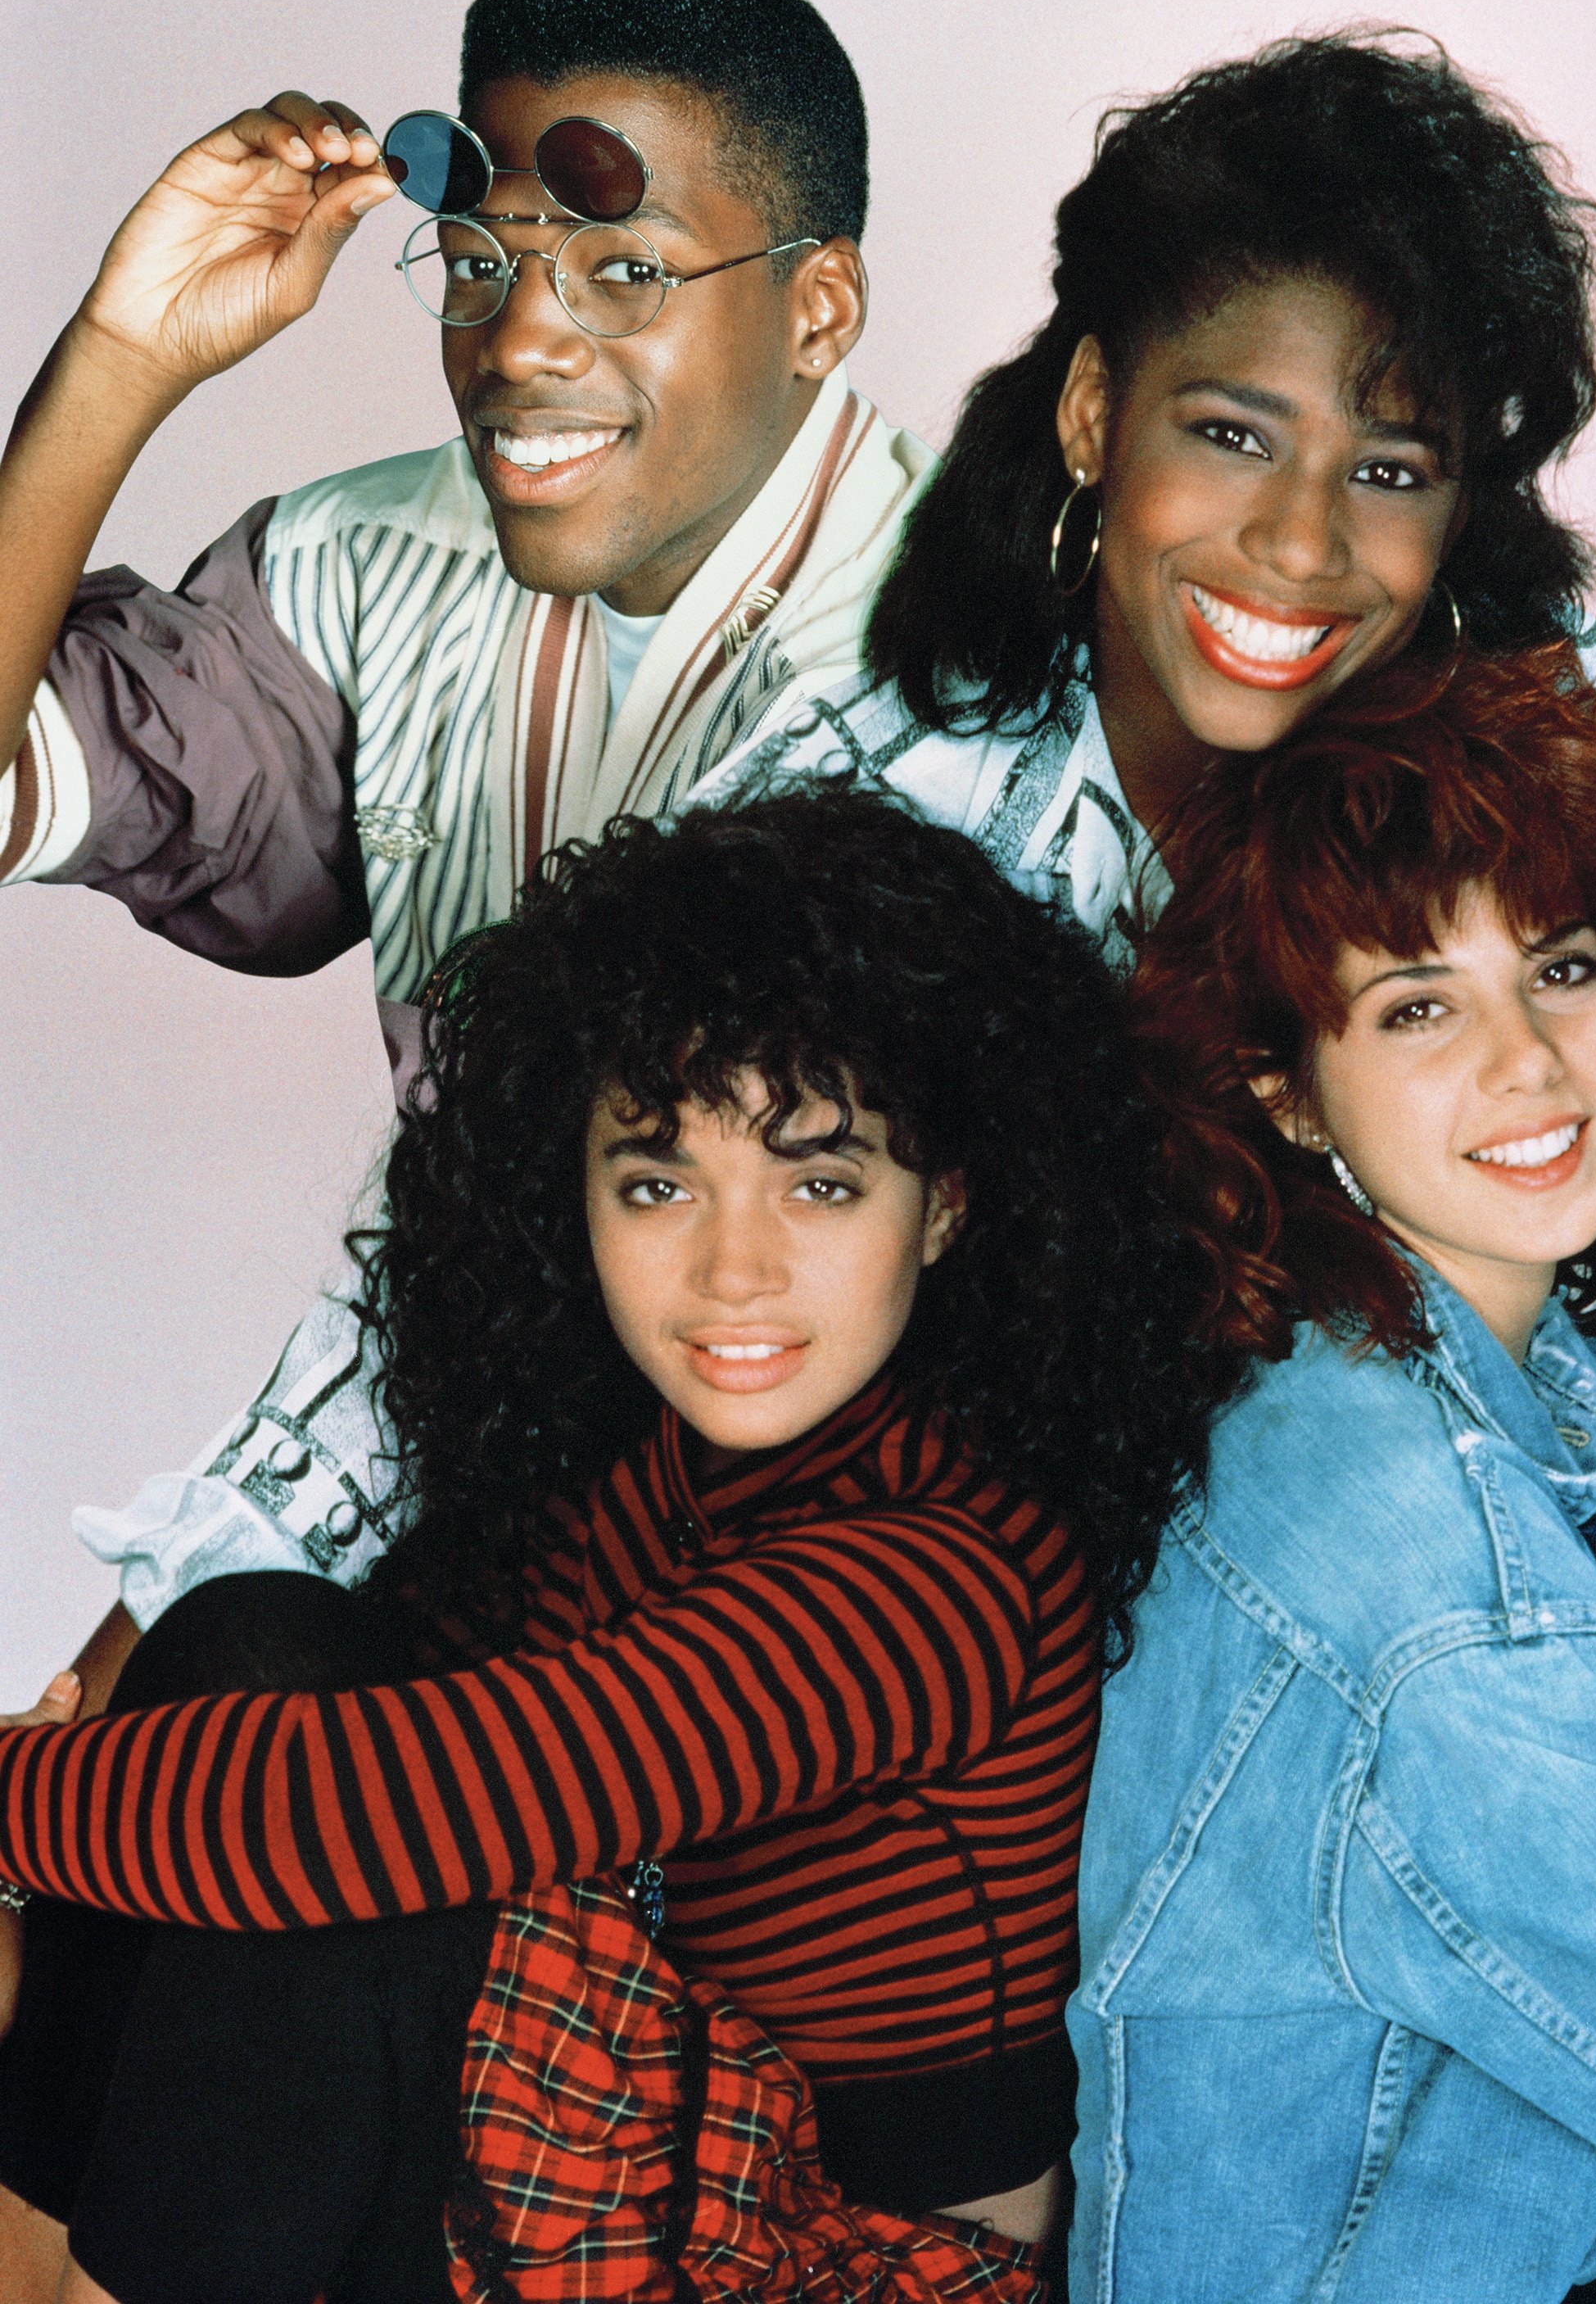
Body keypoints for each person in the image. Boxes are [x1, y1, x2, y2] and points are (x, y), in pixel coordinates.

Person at [0, 789, 1219, 2304]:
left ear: (947, 1205)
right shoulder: (650, 1472)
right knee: (254, 1648)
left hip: (824, 2259)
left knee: (312, 1818)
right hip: (645, 2148)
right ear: (567, 1196)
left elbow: (354, 1811)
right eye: (658, 1182)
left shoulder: (939, 1567)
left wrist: (12, 1793)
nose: (733, 1268)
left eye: (819, 1180)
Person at [719, 32, 1596, 1570]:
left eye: (1389, 470)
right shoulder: (861, 820)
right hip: (1015, 1683)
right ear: (1095, 414)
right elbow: (555, 1287)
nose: (1301, 544)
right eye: (1232, 436)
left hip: (1513, 1625)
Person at [0, 0, 928, 1709]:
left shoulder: (953, 674)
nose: (518, 342)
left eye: (623, 268)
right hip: (465, 1514)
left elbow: (515, 1237)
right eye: (481, 261)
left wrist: (135, 1660)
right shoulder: (369, 559)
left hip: (829, 1613)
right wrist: (121, 360)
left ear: (816, 309)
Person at [1067, 654, 1596, 2300]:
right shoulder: (1386, 1518)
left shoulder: (1549, 1378)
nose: (1526, 1062)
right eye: (1414, 1005)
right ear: (1284, 1090)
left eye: (1556, 967)